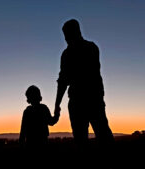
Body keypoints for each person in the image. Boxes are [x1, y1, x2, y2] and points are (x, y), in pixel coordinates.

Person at [53, 19, 115, 151]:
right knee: (97, 137)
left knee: (94, 137)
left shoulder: (72, 53)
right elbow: (64, 80)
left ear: (75, 32)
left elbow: (63, 80)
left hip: (86, 101)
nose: (66, 38)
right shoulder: (90, 48)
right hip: (89, 100)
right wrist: (57, 103)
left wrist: (57, 104)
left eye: (67, 35)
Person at [19, 85, 60, 150]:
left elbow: (23, 130)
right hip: (42, 141)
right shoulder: (43, 108)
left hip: (30, 142)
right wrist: (57, 114)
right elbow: (51, 122)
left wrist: (21, 143)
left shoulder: (27, 111)